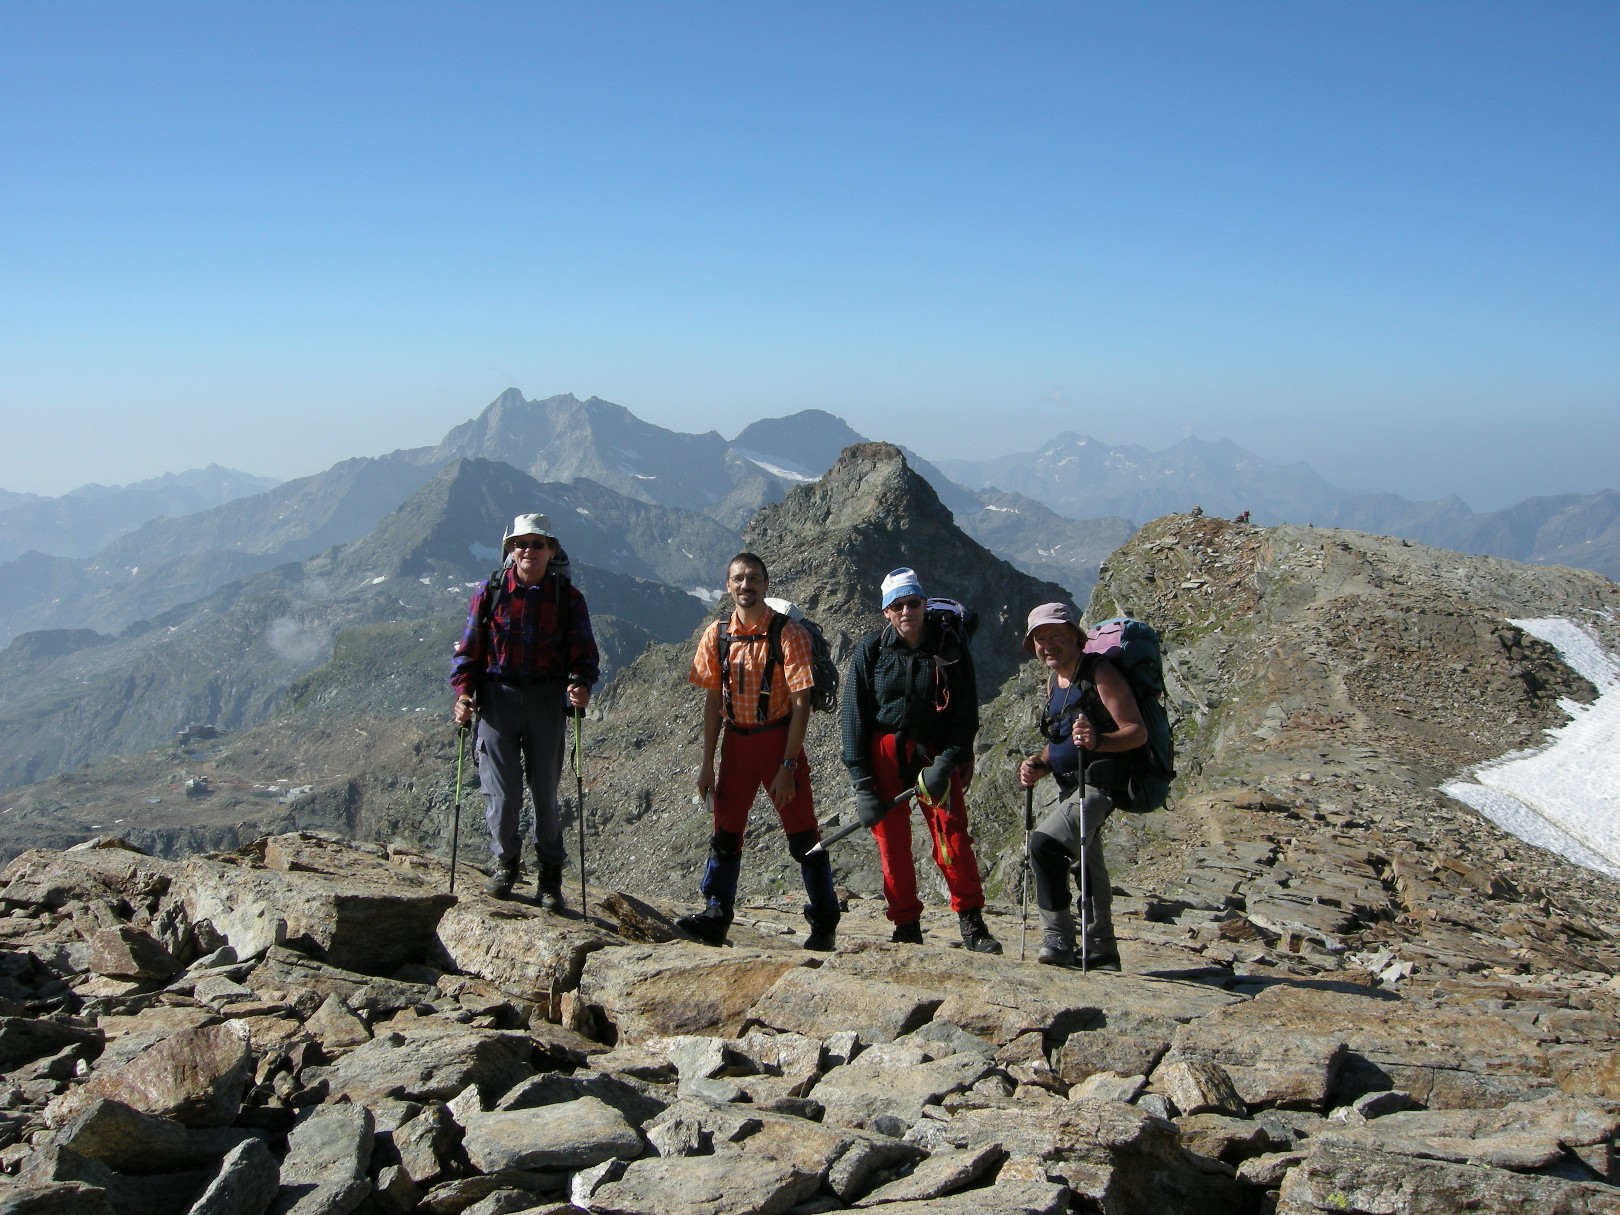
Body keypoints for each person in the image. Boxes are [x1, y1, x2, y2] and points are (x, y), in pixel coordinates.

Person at [679, 553, 839, 949]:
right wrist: (706, 765)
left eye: (752, 578)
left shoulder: (789, 634)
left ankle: (824, 923)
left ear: (765, 584)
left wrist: (788, 765)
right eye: (738, 578)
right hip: (736, 744)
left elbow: (801, 703)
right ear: (728, 585)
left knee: (803, 834)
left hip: (778, 742)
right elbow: (712, 701)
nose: (745, 585)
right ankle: (716, 915)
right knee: (726, 831)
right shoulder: (716, 635)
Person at [840, 568, 1001, 953]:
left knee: (952, 836)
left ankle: (971, 920)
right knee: (891, 842)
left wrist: (949, 760)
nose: (906, 611)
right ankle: (905, 924)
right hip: (884, 754)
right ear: (886, 612)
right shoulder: (871, 649)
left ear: (924, 604)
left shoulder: (949, 646)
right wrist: (862, 784)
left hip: (934, 754)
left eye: (912, 603)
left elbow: (965, 712)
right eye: (897, 606)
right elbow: (853, 716)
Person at [450, 513, 599, 908]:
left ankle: (549, 878)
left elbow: (584, 654)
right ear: (510, 550)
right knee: (502, 795)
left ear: (551, 551)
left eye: (537, 544)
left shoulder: (568, 599)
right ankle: (506, 864)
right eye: (521, 544)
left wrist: (581, 683)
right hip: (496, 700)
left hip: (546, 700)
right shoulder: (490, 592)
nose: (529, 550)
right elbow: (468, 651)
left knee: (544, 793)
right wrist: (464, 694)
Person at [1017, 602, 1147, 968]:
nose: (1048, 645)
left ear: (1075, 636)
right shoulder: (1055, 681)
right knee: (1087, 862)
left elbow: (1136, 731)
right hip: (1069, 785)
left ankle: (1058, 937)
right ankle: (1102, 946)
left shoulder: (1100, 673)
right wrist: (1040, 764)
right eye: (1040, 639)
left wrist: (1098, 742)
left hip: (1100, 785)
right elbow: (1059, 739)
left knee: (1044, 845)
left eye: (1055, 635)